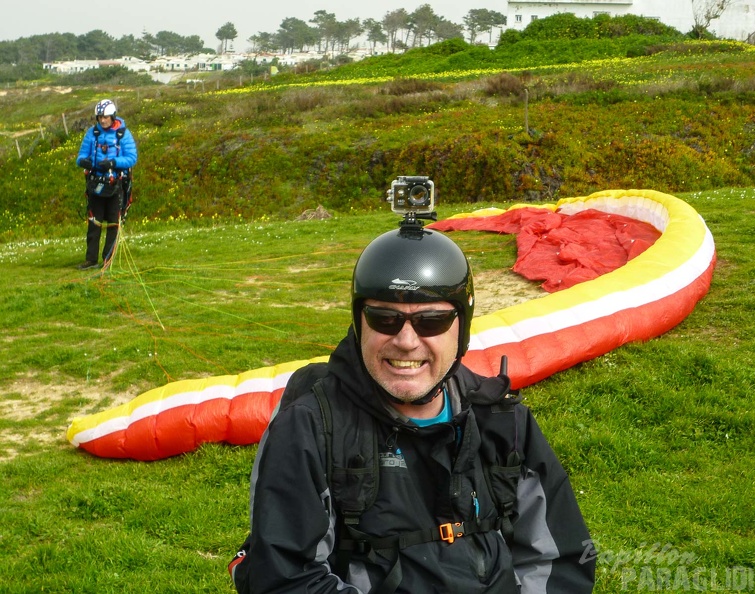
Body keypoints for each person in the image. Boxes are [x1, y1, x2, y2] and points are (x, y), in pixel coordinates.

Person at [229, 222, 596, 593]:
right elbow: (285, 578)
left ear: (461, 328)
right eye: (384, 319)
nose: (406, 341)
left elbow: (559, 561)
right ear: (359, 324)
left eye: (431, 321)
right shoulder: (311, 428)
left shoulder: (501, 421)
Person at [75, 99, 137, 270]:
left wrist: (113, 163)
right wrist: (84, 162)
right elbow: (80, 157)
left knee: (113, 222)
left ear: (113, 116)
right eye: (100, 117)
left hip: (116, 184)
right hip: (96, 184)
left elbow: (132, 158)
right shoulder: (91, 133)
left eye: (106, 117)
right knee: (94, 222)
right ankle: (91, 259)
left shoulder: (123, 134)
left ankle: (108, 259)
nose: (103, 121)